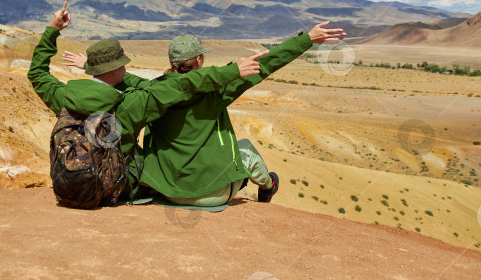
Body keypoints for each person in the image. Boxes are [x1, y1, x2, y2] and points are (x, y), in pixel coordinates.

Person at [63, 22, 345, 206]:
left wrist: (90, 65)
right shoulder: (218, 92)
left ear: (173, 63)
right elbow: (268, 63)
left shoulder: (157, 91)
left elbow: (132, 81)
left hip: (166, 191)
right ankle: (268, 184)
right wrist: (307, 39)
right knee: (244, 149)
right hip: (211, 196)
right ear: (200, 59)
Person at [27, 2, 267, 200]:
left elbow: (37, 74)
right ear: (115, 69)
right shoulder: (132, 104)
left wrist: (53, 29)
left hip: (68, 185)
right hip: (117, 188)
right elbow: (181, 85)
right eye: (122, 64)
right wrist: (234, 70)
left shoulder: (65, 97)